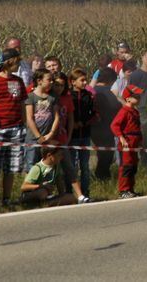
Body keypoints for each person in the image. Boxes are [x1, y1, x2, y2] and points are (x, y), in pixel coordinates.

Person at [0, 49, 28, 207]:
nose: (19, 64)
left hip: (16, 128)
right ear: (10, 62)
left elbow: (22, 103)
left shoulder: (18, 81)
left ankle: (7, 198)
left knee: (11, 167)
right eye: (17, 61)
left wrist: (24, 124)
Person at [51, 72, 90, 204]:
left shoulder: (67, 99)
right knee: (51, 169)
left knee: (69, 167)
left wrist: (68, 137)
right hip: (48, 138)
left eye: (62, 85)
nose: (59, 88)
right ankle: (56, 194)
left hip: (63, 137)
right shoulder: (48, 98)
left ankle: (79, 195)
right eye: (56, 85)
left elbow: (71, 118)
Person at [68, 68, 97, 200]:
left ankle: (85, 192)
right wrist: (72, 124)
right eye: (82, 80)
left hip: (85, 135)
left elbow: (94, 115)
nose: (85, 82)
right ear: (73, 82)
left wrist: (84, 123)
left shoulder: (88, 96)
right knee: (71, 165)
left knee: (85, 166)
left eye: (86, 80)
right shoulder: (68, 96)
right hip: (71, 136)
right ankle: (69, 193)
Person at [126, 50, 147, 165]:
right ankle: (143, 163)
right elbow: (129, 93)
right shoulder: (135, 75)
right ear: (143, 58)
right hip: (141, 109)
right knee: (143, 137)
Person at [111, 84, 143, 198]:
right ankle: (123, 190)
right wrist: (121, 137)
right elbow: (114, 125)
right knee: (126, 166)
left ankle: (130, 189)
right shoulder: (124, 111)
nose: (139, 98)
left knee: (133, 167)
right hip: (127, 143)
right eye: (136, 96)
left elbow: (137, 127)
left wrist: (141, 141)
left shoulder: (135, 112)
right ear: (128, 98)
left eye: (139, 96)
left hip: (134, 142)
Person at [23, 68, 59, 170]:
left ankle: (44, 186)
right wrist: (38, 137)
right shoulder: (30, 97)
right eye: (49, 80)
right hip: (33, 139)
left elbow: (57, 117)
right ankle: (29, 185)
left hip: (48, 138)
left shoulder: (53, 97)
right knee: (31, 166)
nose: (51, 82)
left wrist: (51, 134)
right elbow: (29, 118)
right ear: (39, 81)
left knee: (46, 167)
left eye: (52, 80)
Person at [91, 68, 121, 181]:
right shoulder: (107, 93)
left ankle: (102, 176)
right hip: (104, 129)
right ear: (110, 80)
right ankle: (102, 177)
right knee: (106, 155)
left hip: (96, 128)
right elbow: (116, 107)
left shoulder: (92, 91)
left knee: (104, 154)